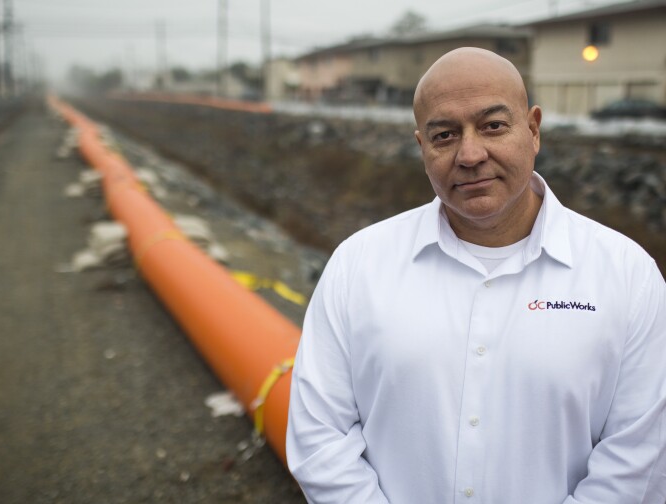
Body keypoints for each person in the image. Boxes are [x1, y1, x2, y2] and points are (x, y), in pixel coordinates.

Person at [285, 47, 666, 503]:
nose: (469, 154)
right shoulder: (358, 266)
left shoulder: (627, 275)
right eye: (445, 135)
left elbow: (638, 457)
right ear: (421, 147)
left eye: (493, 126)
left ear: (534, 130)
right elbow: (319, 437)